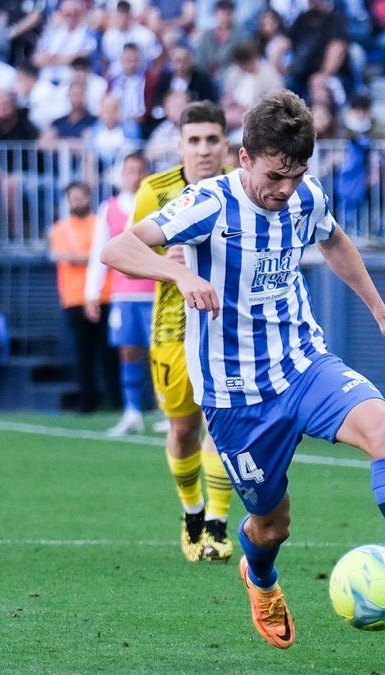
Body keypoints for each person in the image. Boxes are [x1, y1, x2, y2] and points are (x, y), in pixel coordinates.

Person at [102, 91, 385, 649]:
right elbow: (117, 249)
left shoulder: (305, 196)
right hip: (235, 393)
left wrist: (381, 313)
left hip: (302, 363)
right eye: (275, 175)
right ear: (244, 158)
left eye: (297, 174)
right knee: (271, 525)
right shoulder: (207, 203)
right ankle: (260, 577)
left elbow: (334, 241)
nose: (285, 189)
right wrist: (179, 275)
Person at [124, 101, 236, 563]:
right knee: (183, 428)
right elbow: (126, 254)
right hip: (173, 329)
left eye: (212, 139)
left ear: (226, 142)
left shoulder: (241, 187)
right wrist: (166, 266)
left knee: (225, 426)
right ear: (180, 144)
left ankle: (217, 524)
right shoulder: (156, 190)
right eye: (194, 140)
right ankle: (192, 514)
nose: (204, 149)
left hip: (229, 326)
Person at [85, 152, 154, 436]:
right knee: (128, 350)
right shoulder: (109, 208)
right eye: (129, 171)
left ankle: (170, 410)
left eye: (139, 170)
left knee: (161, 353)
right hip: (124, 294)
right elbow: (99, 250)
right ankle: (132, 410)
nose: (134, 176)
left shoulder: (156, 204)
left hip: (155, 291)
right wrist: (92, 292)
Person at [48, 182, 121, 414]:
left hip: (106, 294)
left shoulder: (100, 223)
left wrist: (86, 257)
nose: (78, 201)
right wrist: (93, 256)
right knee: (83, 353)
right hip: (74, 298)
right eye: (73, 197)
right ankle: (87, 402)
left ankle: (116, 401)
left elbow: (103, 254)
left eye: (81, 196)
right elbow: (68, 256)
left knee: (110, 352)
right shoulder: (62, 228)